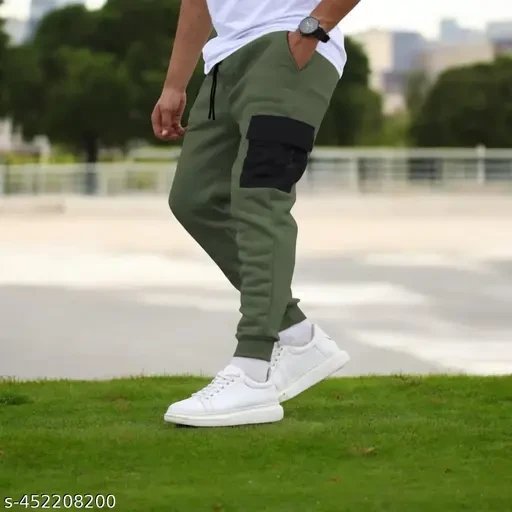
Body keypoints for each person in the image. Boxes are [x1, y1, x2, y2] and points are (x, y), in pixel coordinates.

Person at [152, 0, 360, 427]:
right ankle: (297, 336)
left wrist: (312, 30)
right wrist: (175, 83)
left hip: (287, 48)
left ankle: (252, 369)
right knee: (194, 199)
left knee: (260, 196)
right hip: (223, 61)